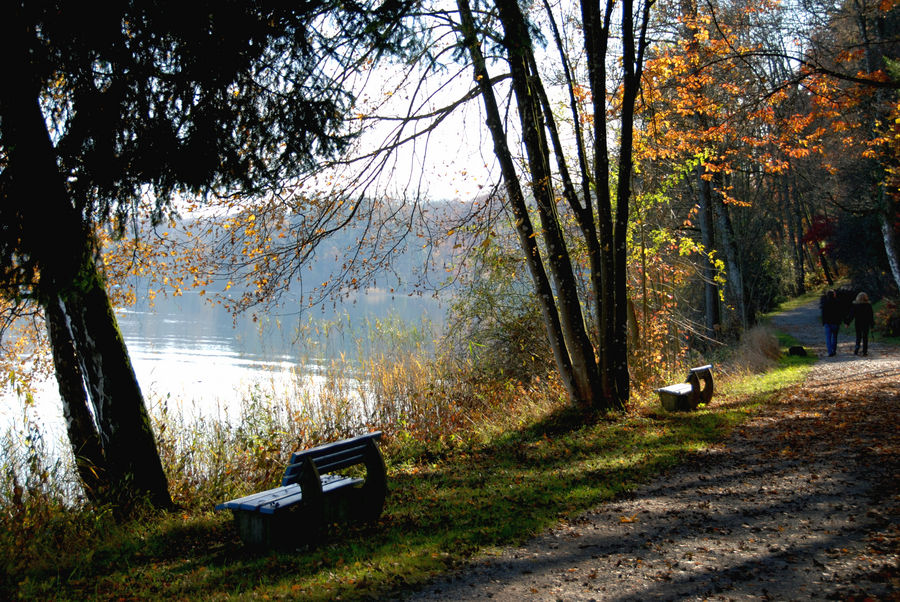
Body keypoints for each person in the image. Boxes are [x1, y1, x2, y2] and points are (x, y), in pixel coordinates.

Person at [846, 292, 874, 356]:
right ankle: (865, 351)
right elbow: (871, 316)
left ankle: (856, 349)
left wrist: (847, 323)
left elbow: (851, 315)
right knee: (865, 337)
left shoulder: (856, 305)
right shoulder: (868, 305)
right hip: (866, 323)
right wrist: (872, 325)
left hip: (858, 323)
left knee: (858, 336)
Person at [820, 289, 842, 356]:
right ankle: (834, 350)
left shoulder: (825, 303)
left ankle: (830, 351)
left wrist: (823, 322)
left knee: (828, 337)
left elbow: (823, 313)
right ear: (834, 295)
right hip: (835, 322)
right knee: (834, 337)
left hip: (827, 322)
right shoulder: (838, 302)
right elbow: (840, 313)